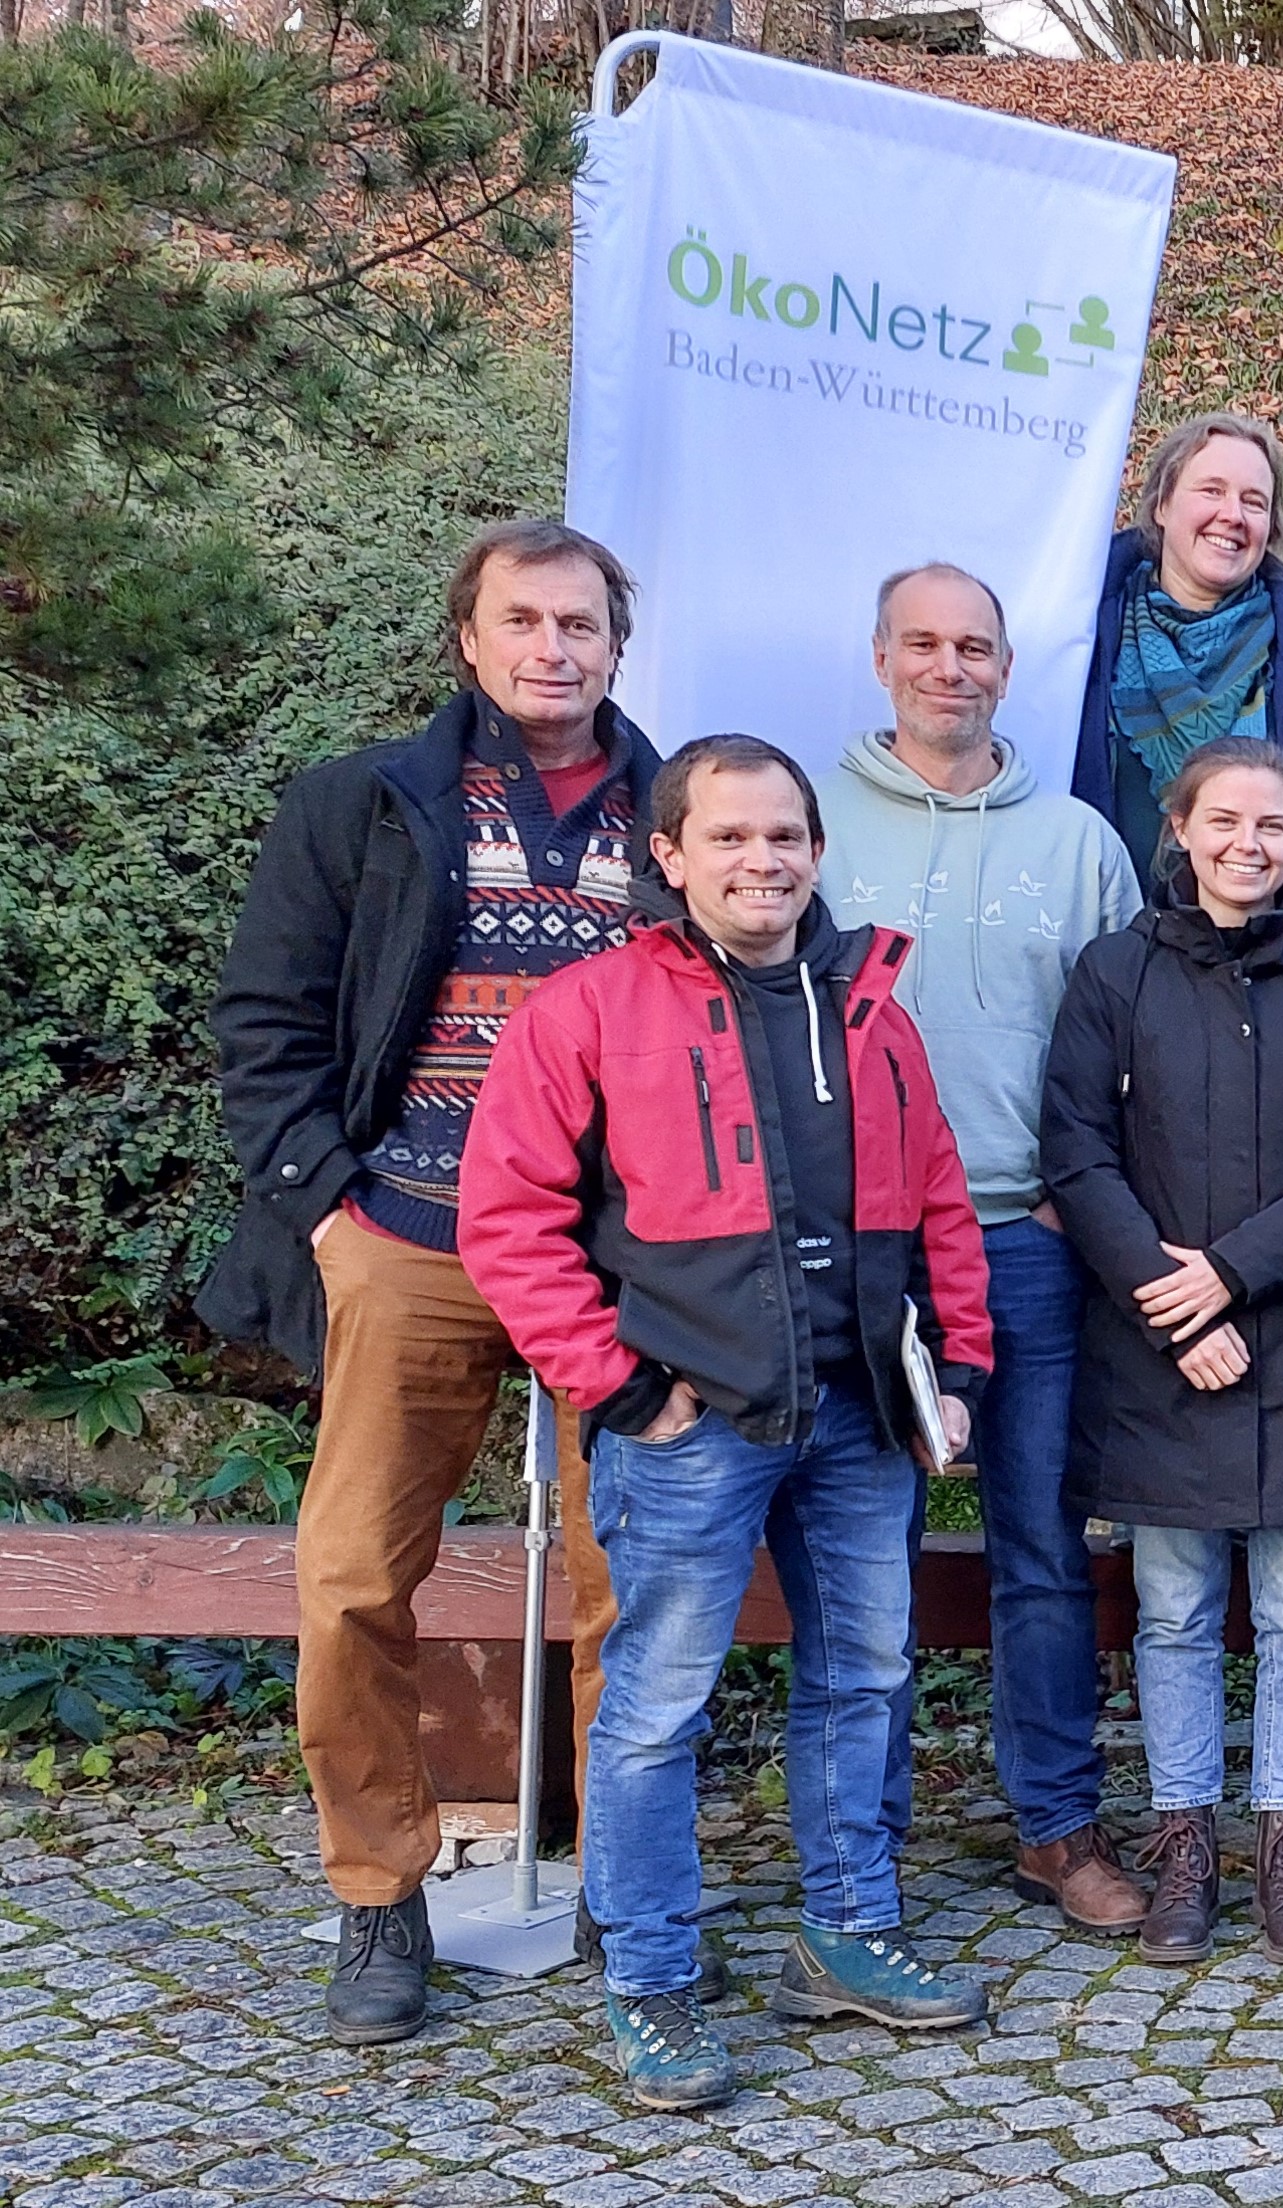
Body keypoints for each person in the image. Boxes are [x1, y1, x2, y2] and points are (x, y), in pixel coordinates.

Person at [462, 736, 996, 2112]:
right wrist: (622, 1387)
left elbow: (937, 1199)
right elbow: (509, 1224)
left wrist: (960, 1370)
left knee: (866, 1678)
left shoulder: (872, 1007)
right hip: (690, 1423)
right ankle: (650, 1980)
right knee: (655, 1711)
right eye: (732, 838)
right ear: (672, 856)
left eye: (785, 838)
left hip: (863, 1416)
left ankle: (847, 1932)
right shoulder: (585, 1012)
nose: (762, 862)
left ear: (817, 850)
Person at [202, 519, 660, 2046]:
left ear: (617, 642)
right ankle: (377, 1891)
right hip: (409, 1239)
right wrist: (325, 1209)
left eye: (579, 623)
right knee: (347, 1580)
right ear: (468, 638)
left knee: (634, 1588)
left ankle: (621, 1880)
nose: (553, 647)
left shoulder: (680, 814)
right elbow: (266, 1025)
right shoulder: (364, 804)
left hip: (612, 1267)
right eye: (522, 620)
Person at [1041, 738, 1283, 1972]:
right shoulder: (1117, 974)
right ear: (1181, 827)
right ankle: (1186, 1841)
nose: (1248, 845)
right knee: (1174, 1613)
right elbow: (1077, 1151)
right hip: (1160, 1342)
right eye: (1225, 822)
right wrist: (1172, 1295)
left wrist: (1233, 1278)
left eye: (1271, 824)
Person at [828, 562, 1148, 1938]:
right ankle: (863, 1844)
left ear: (1010, 669)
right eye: (923, 642)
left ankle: (1056, 1827)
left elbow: (1140, 1049)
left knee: (1041, 1548)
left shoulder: (1077, 842)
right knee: (865, 1552)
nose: (949, 666)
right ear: (883, 656)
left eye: (975, 646)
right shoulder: (809, 824)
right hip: (856, 1257)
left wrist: (1099, 1199)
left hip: (1027, 1242)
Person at [1073, 411, 1283, 943]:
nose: (1232, 515)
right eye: (1211, 490)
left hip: (1275, 983)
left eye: (1254, 501)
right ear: (1161, 505)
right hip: (1111, 971)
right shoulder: (1084, 642)